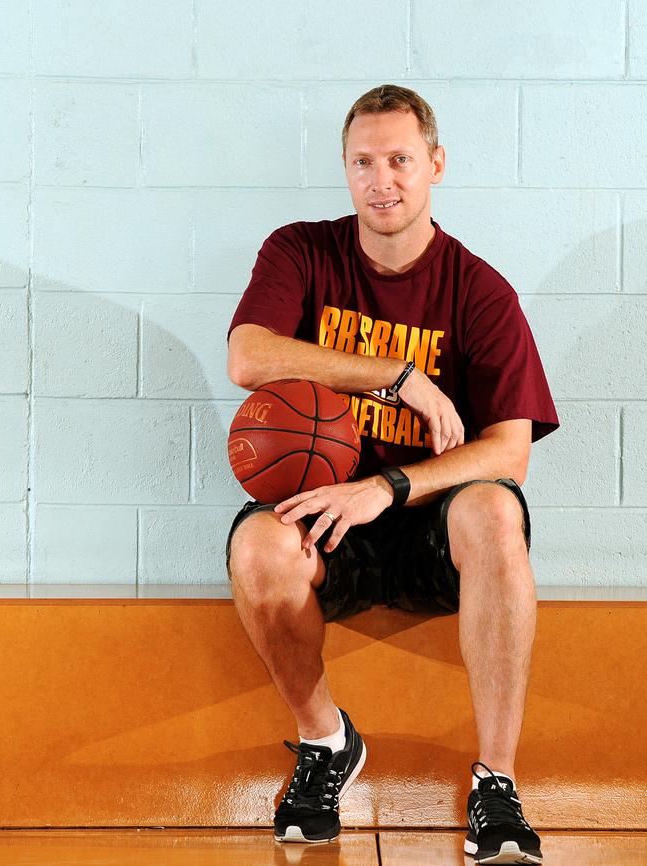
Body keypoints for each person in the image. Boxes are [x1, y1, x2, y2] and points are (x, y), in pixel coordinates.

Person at [224, 84, 559, 865]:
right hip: (326, 515)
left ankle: (497, 784)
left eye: (401, 160)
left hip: (429, 524)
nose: (384, 180)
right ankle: (327, 745)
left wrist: (390, 486)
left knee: (495, 512)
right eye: (364, 162)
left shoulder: (479, 291)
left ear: (435, 164)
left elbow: (510, 451)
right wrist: (395, 375)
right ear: (345, 171)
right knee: (256, 549)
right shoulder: (301, 251)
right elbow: (248, 355)